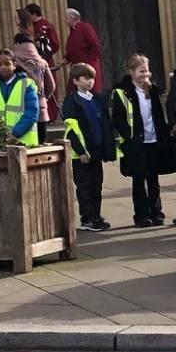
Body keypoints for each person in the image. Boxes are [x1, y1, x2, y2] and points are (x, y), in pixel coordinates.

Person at [111, 54, 176, 227]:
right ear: (131, 71)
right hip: (135, 142)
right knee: (139, 179)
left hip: (153, 139)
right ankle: (142, 215)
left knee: (153, 179)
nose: (145, 74)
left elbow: (157, 115)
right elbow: (118, 118)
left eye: (147, 71)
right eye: (141, 71)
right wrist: (129, 135)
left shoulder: (152, 90)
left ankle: (156, 212)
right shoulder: (122, 92)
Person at [62, 63, 115, 232]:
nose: (90, 81)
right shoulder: (72, 101)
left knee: (96, 184)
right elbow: (71, 128)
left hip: (96, 149)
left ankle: (96, 215)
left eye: (92, 77)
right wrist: (80, 151)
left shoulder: (97, 99)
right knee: (84, 186)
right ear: (76, 80)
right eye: (86, 78)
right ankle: (87, 218)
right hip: (82, 153)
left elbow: (105, 124)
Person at [0, 49, 40, 146]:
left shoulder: (26, 84)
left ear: (14, 64)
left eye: (7, 64)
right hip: (1, 141)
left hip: (25, 141)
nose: (3, 67)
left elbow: (32, 112)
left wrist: (15, 134)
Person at [12, 35, 57, 142]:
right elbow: (51, 86)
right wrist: (44, 98)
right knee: (41, 145)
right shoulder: (42, 62)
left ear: (17, 44)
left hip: (20, 110)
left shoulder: (13, 62)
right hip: (41, 110)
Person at [63, 9, 104, 87]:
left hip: (87, 68)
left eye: (66, 18)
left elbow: (95, 46)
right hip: (77, 69)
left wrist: (88, 62)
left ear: (72, 17)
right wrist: (68, 58)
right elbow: (74, 47)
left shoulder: (85, 28)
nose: (65, 20)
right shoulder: (73, 30)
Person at [24, 3, 61, 68]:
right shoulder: (29, 26)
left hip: (45, 60)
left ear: (34, 14)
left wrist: (44, 54)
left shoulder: (47, 26)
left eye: (28, 15)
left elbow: (55, 44)